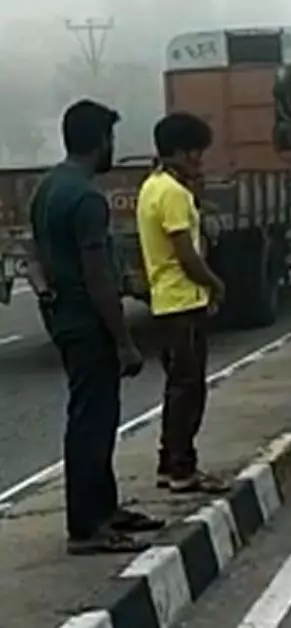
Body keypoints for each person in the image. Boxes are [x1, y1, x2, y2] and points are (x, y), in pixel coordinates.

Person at [28, 100, 164, 554]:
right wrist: (124, 340)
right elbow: (97, 276)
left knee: (96, 417)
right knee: (92, 422)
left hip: (65, 318)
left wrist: (50, 298)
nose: (113, 148)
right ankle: (87, 527)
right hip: (88, 323)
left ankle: (105, 509)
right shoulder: (86, 198)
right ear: (100, 141)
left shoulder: (48, 188)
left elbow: (37, 257)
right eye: (111, 139)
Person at [136, 113, 229, 495]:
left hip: (166, 300)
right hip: (181, 301)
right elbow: (186, 254)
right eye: (195, 152)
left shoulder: (152, 187)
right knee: (189, 389)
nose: (199, 160)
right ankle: (182, 468)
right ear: (178, 151)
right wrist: (215, 283)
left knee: (178, 386)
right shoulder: (173, 194)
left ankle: (168, 462)